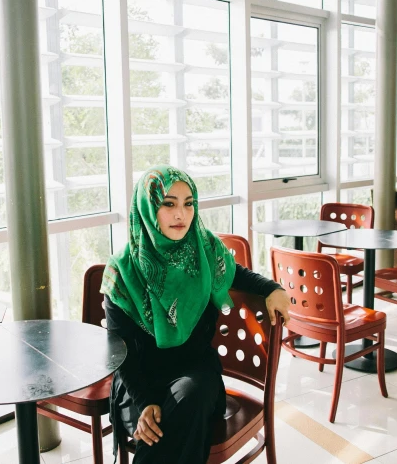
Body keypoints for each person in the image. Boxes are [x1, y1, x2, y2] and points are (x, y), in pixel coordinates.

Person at [101, 165, 291, 464]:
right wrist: (146, 402)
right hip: (138, 384)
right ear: (147, 208)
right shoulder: (122, 272)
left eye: (189, 204)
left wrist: (272, 287)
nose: (181, 215)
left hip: (196, 376)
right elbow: (119, 349)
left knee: (189, 401)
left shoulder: (204, 252)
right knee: (168, 424)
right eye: (168, 204)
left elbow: (236, 274)